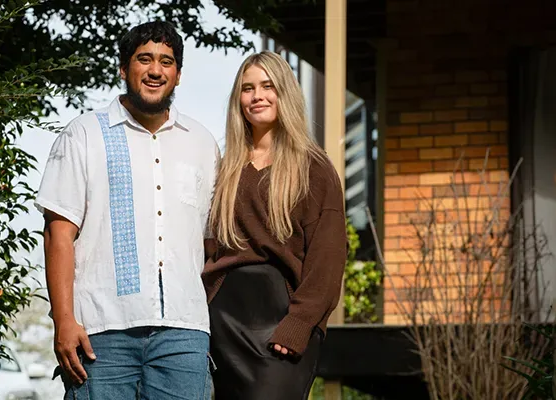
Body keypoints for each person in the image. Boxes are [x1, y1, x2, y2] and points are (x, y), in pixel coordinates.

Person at [35, 21, 219, 400]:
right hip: (101, 332)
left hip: (184, 332)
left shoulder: (202, 143)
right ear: (123, 68)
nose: (155, 70)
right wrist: (64, 320)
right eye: (144, 59)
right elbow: (58, 234)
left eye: (166, 62)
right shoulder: (83, 134)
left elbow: (212, 241)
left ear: (178, 75)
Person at [202, 51, 348, 400]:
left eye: (268, 86)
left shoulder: (313, 167)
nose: (257, 96)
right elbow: (207, 246)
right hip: (223, 323)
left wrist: (299, 324)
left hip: (281, 319)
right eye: (247, 88)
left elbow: (328, 258)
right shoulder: (224, 170)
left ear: (285, 93)